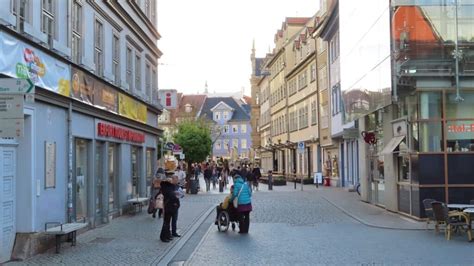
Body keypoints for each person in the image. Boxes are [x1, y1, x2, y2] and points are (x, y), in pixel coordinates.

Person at [160, 178, 180, 242]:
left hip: (167, 207)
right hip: (169, 208)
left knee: (166, 223)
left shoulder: (164, 188)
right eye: (171, 181)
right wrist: (177, 203)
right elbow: (173, 197)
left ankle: (167, 235)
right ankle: (164, 237)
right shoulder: (169, 189)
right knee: (166, 223)